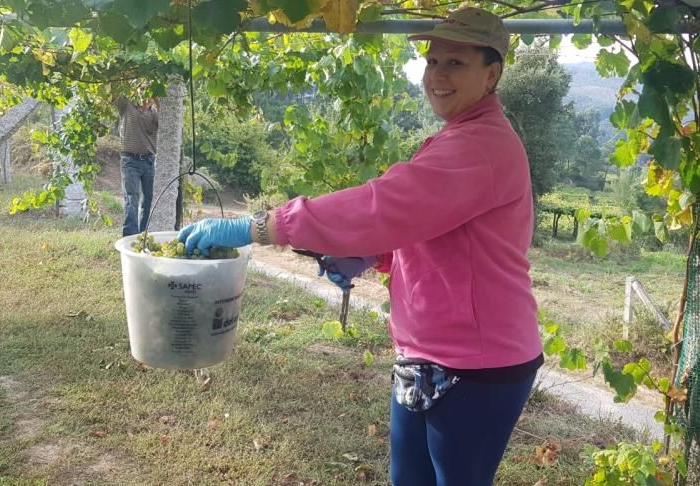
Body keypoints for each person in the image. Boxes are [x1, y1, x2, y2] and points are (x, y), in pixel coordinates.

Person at [178, 8, 542, 485]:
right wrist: (376, 255)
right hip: (427, 352)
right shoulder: (459, 135)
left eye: (455, 63)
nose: (437, 75)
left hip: (477, 362)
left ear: (491, 74)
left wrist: (262, 226)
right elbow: (433, 228)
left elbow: (385, 205)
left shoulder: (482, 145)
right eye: (432, 62)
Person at [114, 89, 158, 236]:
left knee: (149, 200)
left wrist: (156, 98)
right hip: (130, 160)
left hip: (149, 161)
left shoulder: (154, 113)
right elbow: (116, 90)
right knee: (131, 198)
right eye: (143, 88)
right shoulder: (127, 105)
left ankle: (144, 236)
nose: (146, 92)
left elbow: (167, 123)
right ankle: (130, 236)